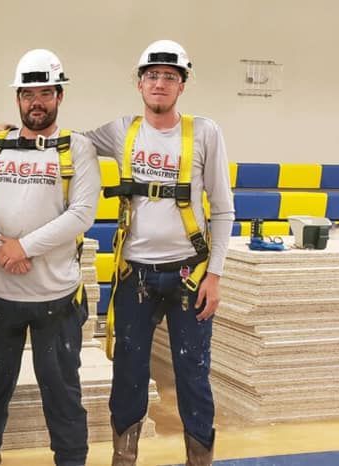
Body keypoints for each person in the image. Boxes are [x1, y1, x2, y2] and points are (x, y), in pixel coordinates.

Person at [81, 39, 234, 466]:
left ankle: (198, 458)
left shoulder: (205, 133)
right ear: (139, 83)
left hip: (190, 275)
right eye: (153, 75)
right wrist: (11, 132)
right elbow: (68, 143)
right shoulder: (121, 130)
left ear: (182, 86)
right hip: (136, 277)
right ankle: (123, 457)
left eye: (170, 76)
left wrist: (216, 274)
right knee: (128, 373)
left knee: (192, 374)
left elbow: (222, 209)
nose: (160, 83)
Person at [0, 49, 100, 466]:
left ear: (59, 96)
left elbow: (82, 214)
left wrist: (22, 247)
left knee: (61, 387)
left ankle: (71, 459)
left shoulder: (78, 150)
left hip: (56, 296)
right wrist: (0, 248)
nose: (37, 101)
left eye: (46, 92)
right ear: (17, 97)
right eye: (28, 93)